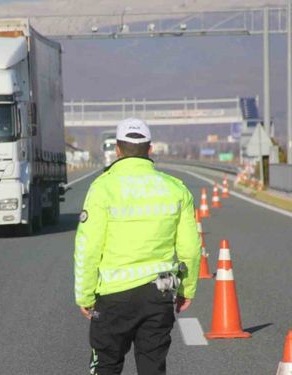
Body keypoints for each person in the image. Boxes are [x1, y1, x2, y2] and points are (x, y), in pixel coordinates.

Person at [74, 118, 201, 375]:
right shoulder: (176, 189)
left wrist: (85, 295)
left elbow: (87, 248)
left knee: (106, 365)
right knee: (153, 366)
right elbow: (191, 248)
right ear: (150, 149)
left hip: (112, 295)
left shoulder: (102, 188)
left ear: (118, 150)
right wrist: (186, 289)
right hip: (160, 292)